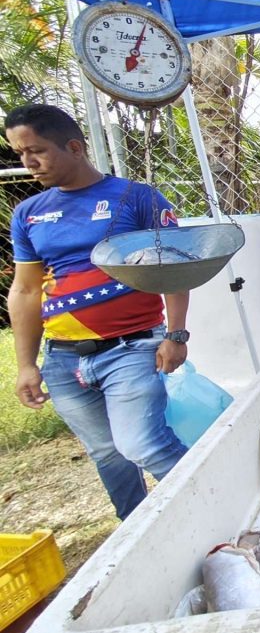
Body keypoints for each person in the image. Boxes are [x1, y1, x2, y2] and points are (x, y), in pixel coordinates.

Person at [5, 104, 190, 521]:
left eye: (36, 150)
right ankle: (135, 532)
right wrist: (25, 365)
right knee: (107, 454)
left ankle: (216, 507)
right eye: (19, 153)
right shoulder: (28, 213)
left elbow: (175, 266)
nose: (28, 163)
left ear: (74, 146)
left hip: (131, 348)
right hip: (63, 358)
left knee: (143, 445)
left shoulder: (136, 198)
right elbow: (25, 289)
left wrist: (176, 334)